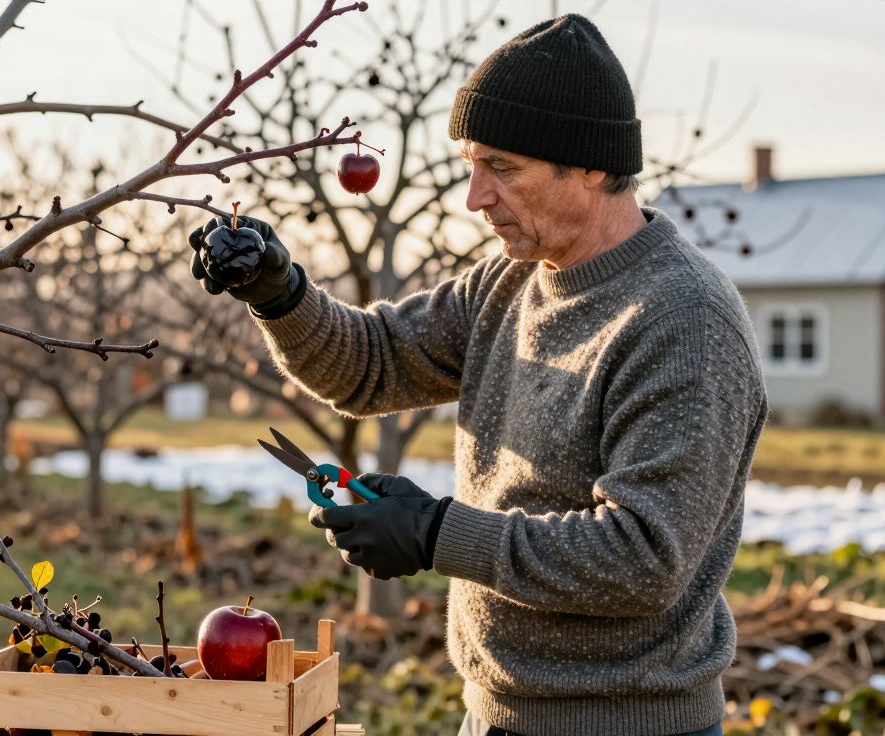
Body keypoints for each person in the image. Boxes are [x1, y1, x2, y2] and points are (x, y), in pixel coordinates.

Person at [187, 14, 765, 736]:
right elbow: (370, 365)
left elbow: (643, 560)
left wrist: (436, 534)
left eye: (502, 167)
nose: (475, 197)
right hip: (492, 715)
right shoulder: (509, 283)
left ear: (587, 164)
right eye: (470, 164)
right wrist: (282, 294)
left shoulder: (683, 321)